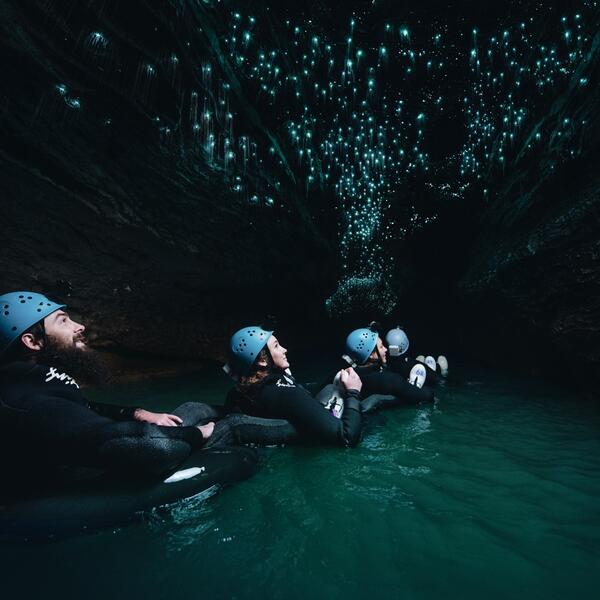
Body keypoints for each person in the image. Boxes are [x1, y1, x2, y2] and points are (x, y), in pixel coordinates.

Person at [0, 291, 284, 482]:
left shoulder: (33, 379)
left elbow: (82, 408)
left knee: (194, 407)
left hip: (108, 439)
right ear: (32, 342)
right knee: (233, 424)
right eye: (63, 321)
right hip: (108, 461)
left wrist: (138, 413)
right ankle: (310, 423)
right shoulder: (29, 403)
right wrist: (199, 432)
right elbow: (147, 447)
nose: (79, 326)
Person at [223, 325, 363, 447]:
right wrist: (353, 392)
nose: (285, 349)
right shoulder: (285, 393)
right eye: (277, 346)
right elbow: (347, 437)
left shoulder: (237, 393)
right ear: (262, 361)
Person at [342, 325, 434, 409]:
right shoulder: (390, 379)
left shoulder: (344, 375)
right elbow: (427, 395)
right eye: (381, 347)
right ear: (371, 355)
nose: (386, 349)